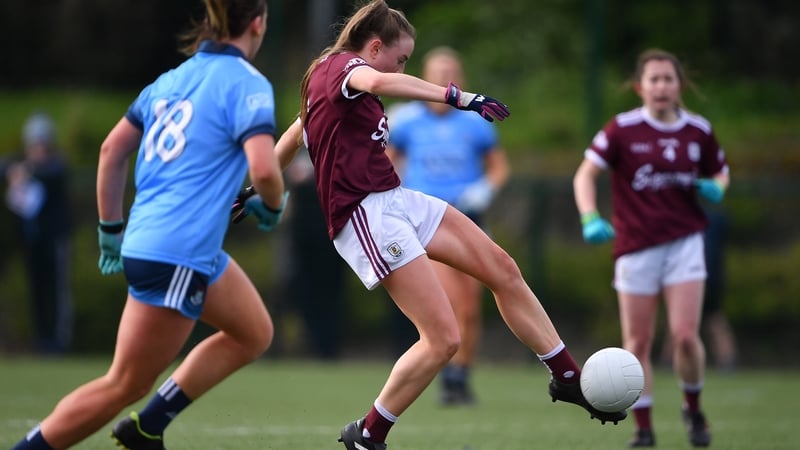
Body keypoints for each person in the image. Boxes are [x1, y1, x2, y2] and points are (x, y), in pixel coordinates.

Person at [264, 1, 626, 448]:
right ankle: (367, 434)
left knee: (503, 269)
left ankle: (566, 376)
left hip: (396, 200)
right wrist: (459, 96)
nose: (404, 68)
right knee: (442, 339)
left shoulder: (335, 81)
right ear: (374, 47)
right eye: (402, 59)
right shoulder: (346, 67)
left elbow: (294, 134)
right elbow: (376, 79)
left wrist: (259, 188)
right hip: (365, 216)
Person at [11, 0, 286, 448]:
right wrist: (272, 205)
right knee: (124, 384)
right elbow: (266, 172)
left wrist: (109, 229)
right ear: (257, 24)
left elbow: (110, 151)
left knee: (254, 332)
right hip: (178, 253)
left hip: (160, 241)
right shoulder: (247, 83)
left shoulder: (170, 81)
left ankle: (148, 427)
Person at [572, 48, 730, 448]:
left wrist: (717, 186)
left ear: (680, 85)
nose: (661, 86)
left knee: (683, 336)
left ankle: (693, 410)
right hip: (636, 246)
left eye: (668, 79)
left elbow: (720, 171)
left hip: (684, 243)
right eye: (653, 79)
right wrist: (590, 216)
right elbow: (585, 175)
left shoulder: (698, 130)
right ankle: (643, 429)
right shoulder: (622, 129)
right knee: (637, 343)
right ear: (640, 86)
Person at [385, 45, 510, 406]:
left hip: (468, 216)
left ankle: (460, 376)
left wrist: (484, 189)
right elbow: (387, 163)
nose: (444, 79)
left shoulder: (474, 122)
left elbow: (498, 167)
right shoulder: (406, 119)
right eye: (438, 73)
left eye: (450, 72)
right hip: (427, 221)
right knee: (450, 300)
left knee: (470, 305)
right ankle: (446, 373)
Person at [4, 112, 72, 354]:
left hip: (54, 242)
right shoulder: (22, 165)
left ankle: (59, 342)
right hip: (32, 244)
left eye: (42, 144)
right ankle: (42, 341)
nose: (38, 149)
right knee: (37, 292)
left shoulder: (56, 166)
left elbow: (50, 173)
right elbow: (6, 167)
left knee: (57, 292)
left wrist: (26, 172)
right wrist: (18, 171)